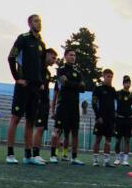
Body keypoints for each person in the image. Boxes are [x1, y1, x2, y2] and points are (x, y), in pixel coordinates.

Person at [6, 14, 47, 166]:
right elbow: (11, 57)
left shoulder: (41, 43)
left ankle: (28, 155)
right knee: (15, 118)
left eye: (40, 21)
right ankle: (10, 153)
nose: (39, 23)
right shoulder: (23, 38)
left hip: (36, 87)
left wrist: (41, 81)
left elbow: (42, 66)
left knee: (31, 121)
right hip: (24, 85)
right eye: (36, 21)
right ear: (29, 23)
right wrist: (17, 78)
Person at [52, 47, 85, 165]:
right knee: (57, 130)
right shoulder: (61, 70)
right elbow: (63, 83)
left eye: (74, 55)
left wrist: (70, 83)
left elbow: (83, 88)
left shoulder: (78, 72)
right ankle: (53, 155)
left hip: (74, 106)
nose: (73, 57)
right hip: (63, 104)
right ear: (65, 56)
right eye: (71, 55)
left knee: (75, 131)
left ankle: (74, 157)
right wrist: (75, 84)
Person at [91, 69, 118, 166]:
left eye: (111, 77)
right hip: (100, 118)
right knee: (98, 139)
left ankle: (106, 161)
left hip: (110, 119)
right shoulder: (98, 89)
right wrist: (98, 116)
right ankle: (95, 160)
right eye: (108, 76)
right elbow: (94, 103)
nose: (110, 79)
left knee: (108, 140)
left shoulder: (113, 90)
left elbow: (117, 102)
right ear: (104, 76)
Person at [113, 75, 132, 167]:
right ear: (123, 83)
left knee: (127, 140)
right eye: (126, 82)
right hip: (119, 119)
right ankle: (117, 158)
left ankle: (125, 160)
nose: (128, 84)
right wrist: (113, 112)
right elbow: (110, 101)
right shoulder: (118, 93)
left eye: (129, 82)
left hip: (128, 120)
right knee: (118, 140)